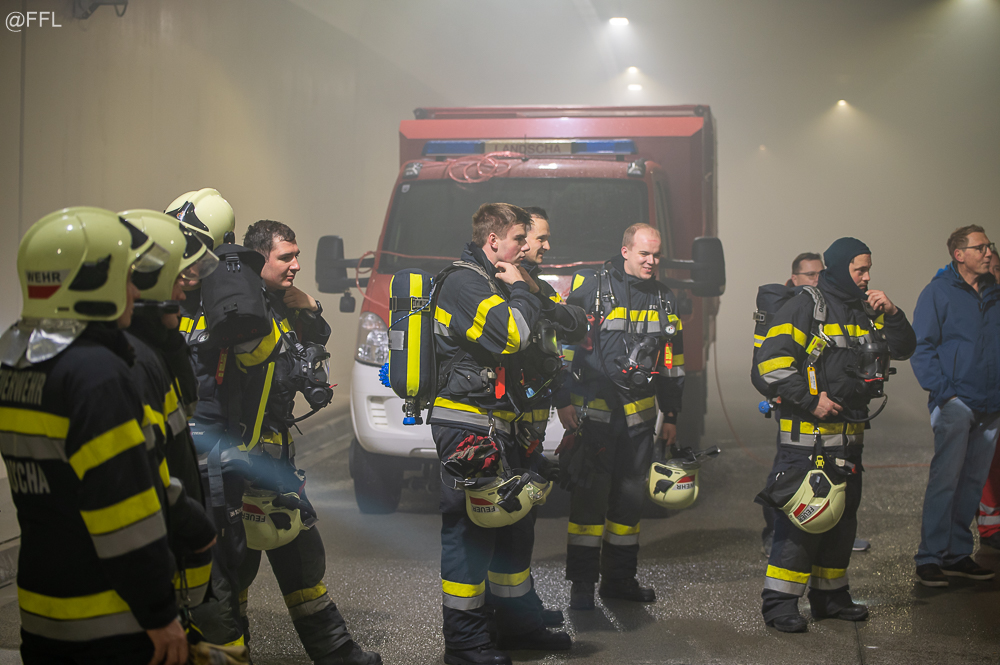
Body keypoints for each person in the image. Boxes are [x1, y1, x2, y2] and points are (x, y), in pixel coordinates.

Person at [0, 207, 188, 664]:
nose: (135, 291)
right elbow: (124, 512)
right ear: (91, 283)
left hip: (42, 614)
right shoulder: (97, 375)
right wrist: (160, 611)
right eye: (126, 278)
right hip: (113, 622)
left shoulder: (16, 362)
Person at [236, 220, 381, 665]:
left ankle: (336, 652)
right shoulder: (240, 312)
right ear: (258, 259)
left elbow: (312, 343)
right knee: (235, 567)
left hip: (276, 458)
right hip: (239, 463)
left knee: (301, 555)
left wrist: (311, 307)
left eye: (296, 255)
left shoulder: (280, 304)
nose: (296, 265)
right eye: (286, 257)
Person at [431, 203, 571, 665]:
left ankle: (516, 626)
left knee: (510, 527)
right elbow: (511, 334)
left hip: (498, 424)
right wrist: (523, 291)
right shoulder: (464, 282)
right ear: (493, 240)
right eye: (518, 240)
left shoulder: (493, 280)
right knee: (470, 535)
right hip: (467, 425)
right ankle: (465, 643)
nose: (525, 249)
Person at [755, 237, 915, 632]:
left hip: (849, 440)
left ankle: (831, 597)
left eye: (868, 269)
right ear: (842, 268)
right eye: (860, 269)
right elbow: (769, 366)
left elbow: (903, 347)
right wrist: (811, 401)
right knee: (801, 523)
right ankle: (779, 605)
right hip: (807, 441)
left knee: (841, 521)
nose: (866, 277)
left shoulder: (864, 310)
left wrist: (893, 313)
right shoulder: (806, 306)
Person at [554, 223, 685, 611]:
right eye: (644, 253)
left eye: (656, 255)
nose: (652, 261)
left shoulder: (664, 298)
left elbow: (673, 362)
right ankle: (582, 586)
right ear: (625, 251)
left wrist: (672, 413)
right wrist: (563, 400)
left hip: (640, 423)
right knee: (589, 503)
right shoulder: (592, 290)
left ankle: (620, 580)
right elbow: (564, 348)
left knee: (629, 504)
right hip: (594, 418)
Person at [481, 206, 582, 630]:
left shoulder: (534, 286)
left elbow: (571, 329)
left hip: (529, 429)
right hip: (504, 426)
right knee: (505, 524)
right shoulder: (496, 286)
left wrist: (536, 292)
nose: (542, 245)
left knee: (522, 523)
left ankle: (520, 607)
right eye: (536, 238)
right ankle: (507, 617)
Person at [119, 210, 222, 614]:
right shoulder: (132, 363)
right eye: (178, 279)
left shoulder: (157, 350)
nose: (183, 292)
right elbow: (135, 477)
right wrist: (189, 521)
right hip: (147, 582)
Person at [167, 188, 250, 648]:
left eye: (192, 245)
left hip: (211, 458)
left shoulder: (230, 303)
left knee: (219, 569)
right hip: (167, 453)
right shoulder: (160, 300)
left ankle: (227, 647)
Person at [761, 253, 871, 556]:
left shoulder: (847, 308)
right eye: (809, 275)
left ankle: (828, 534)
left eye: (818, 273)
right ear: (794, 279)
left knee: (836, 504)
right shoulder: (800, 307)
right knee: (791, 485)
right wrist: (807, 400)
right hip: (802, 418)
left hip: (843, 431)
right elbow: (770, 366)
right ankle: (775, 533)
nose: (815, 279)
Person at [912, 226, 1000, 587]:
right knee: (945, 480)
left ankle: (957, 553)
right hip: (956, 402)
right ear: (958, 255)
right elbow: (922, 347)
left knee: (972, 482)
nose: (988, 252)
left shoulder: (994, 292)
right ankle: (930, 557)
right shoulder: (937, 292)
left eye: (989, 246)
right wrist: (946, 394)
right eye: (980, 247)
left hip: (991, 404)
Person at [976, 251, 1000, 550]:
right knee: (989, 465)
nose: (995, 274)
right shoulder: (979, 303)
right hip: (987, 396)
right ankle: (990, 525)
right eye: (991, 268)